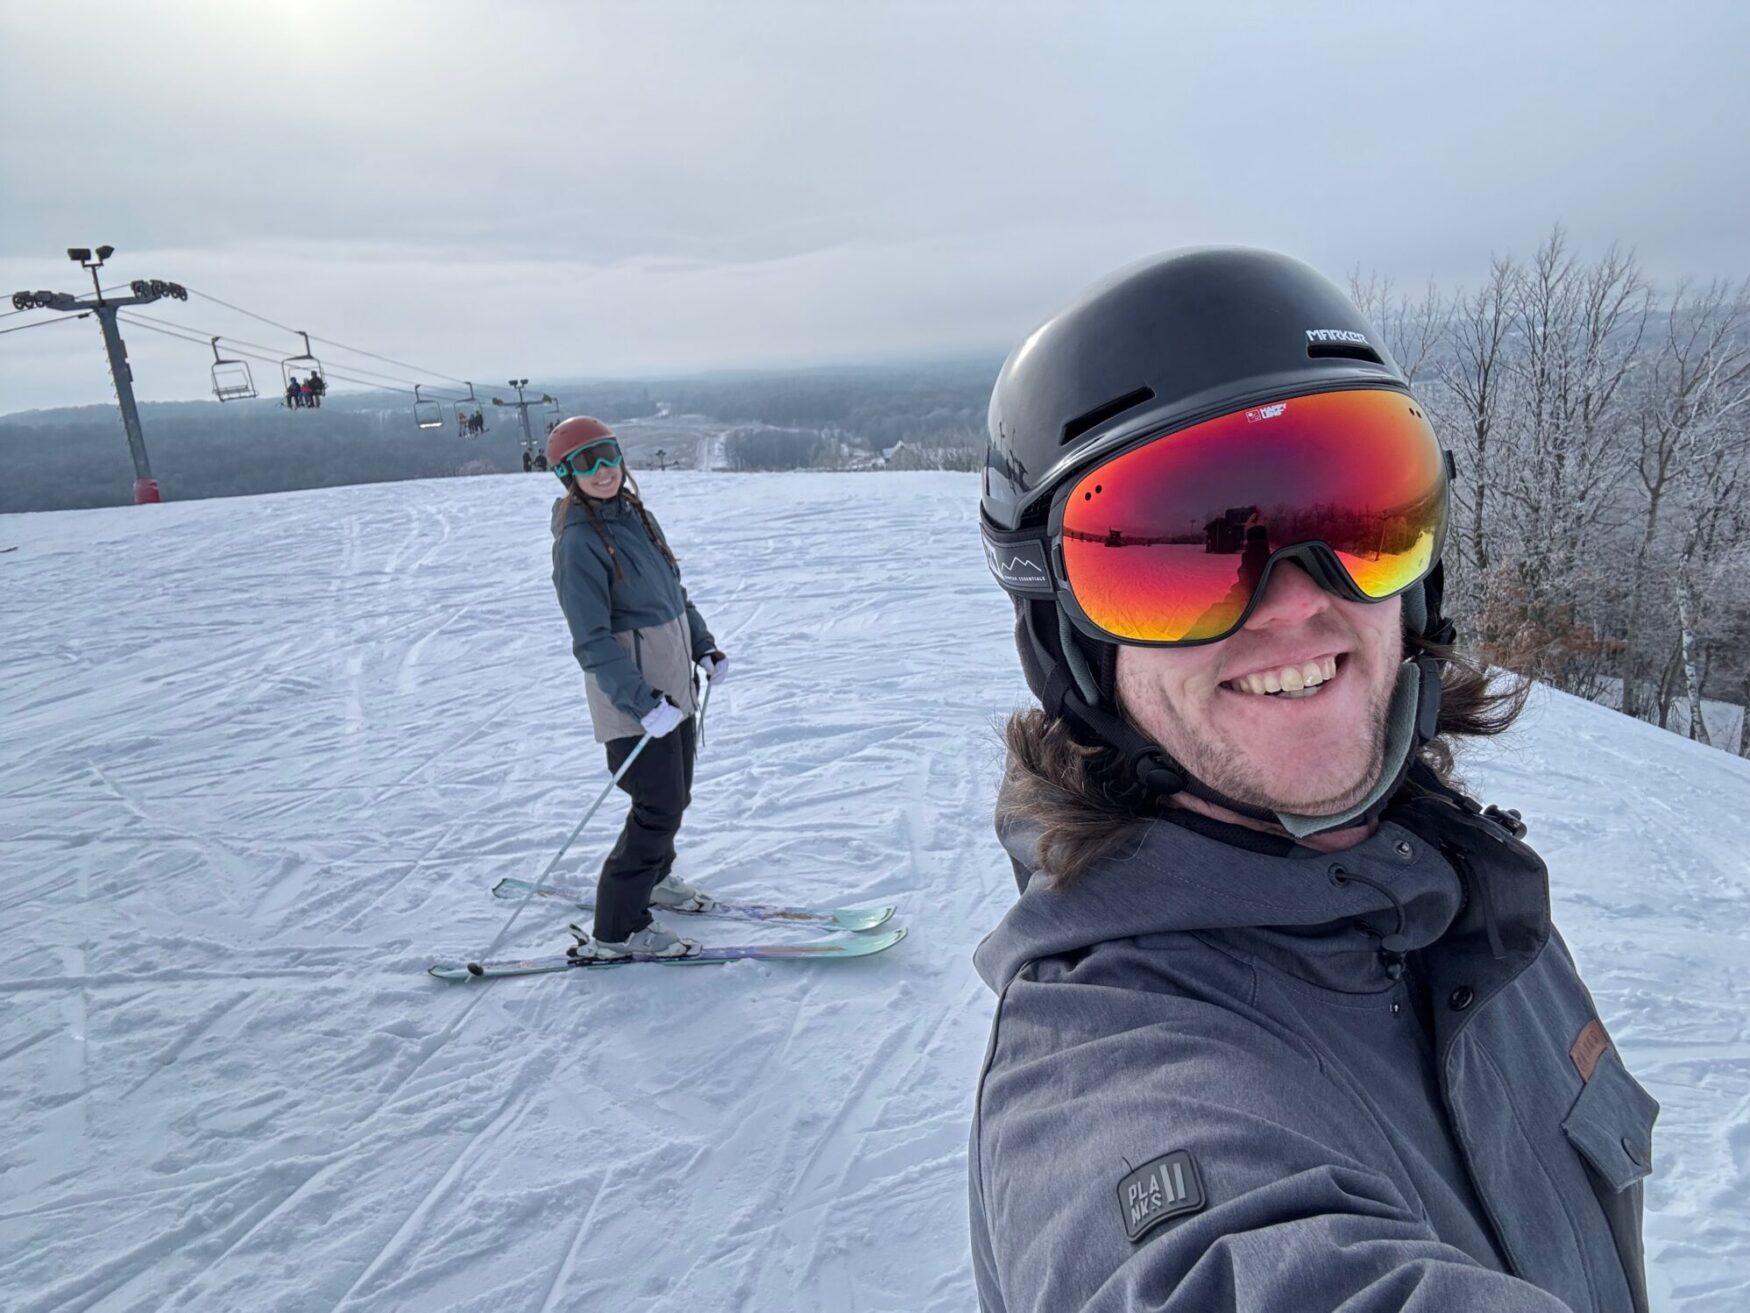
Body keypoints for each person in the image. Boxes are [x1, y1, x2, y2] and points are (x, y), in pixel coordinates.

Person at [970, 249, 1657, 1313]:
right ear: (1073, 647)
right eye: (1182, 553)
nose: (1296, 606)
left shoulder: (1468, 900)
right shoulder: (1111, 1071)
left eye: (1354, 518)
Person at [548, 416, 728, 959]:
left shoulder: (638, 518)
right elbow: (591, 641)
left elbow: (675, 594)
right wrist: (641, 702)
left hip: (674, 686)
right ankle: (618, 926)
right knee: (657, 804)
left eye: (608, 455)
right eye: (586, 462)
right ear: (566, 474)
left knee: (676, 797)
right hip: (635, 701)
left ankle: (655, 878)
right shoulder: (578, 545)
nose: (602, 470)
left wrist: (704, 646)